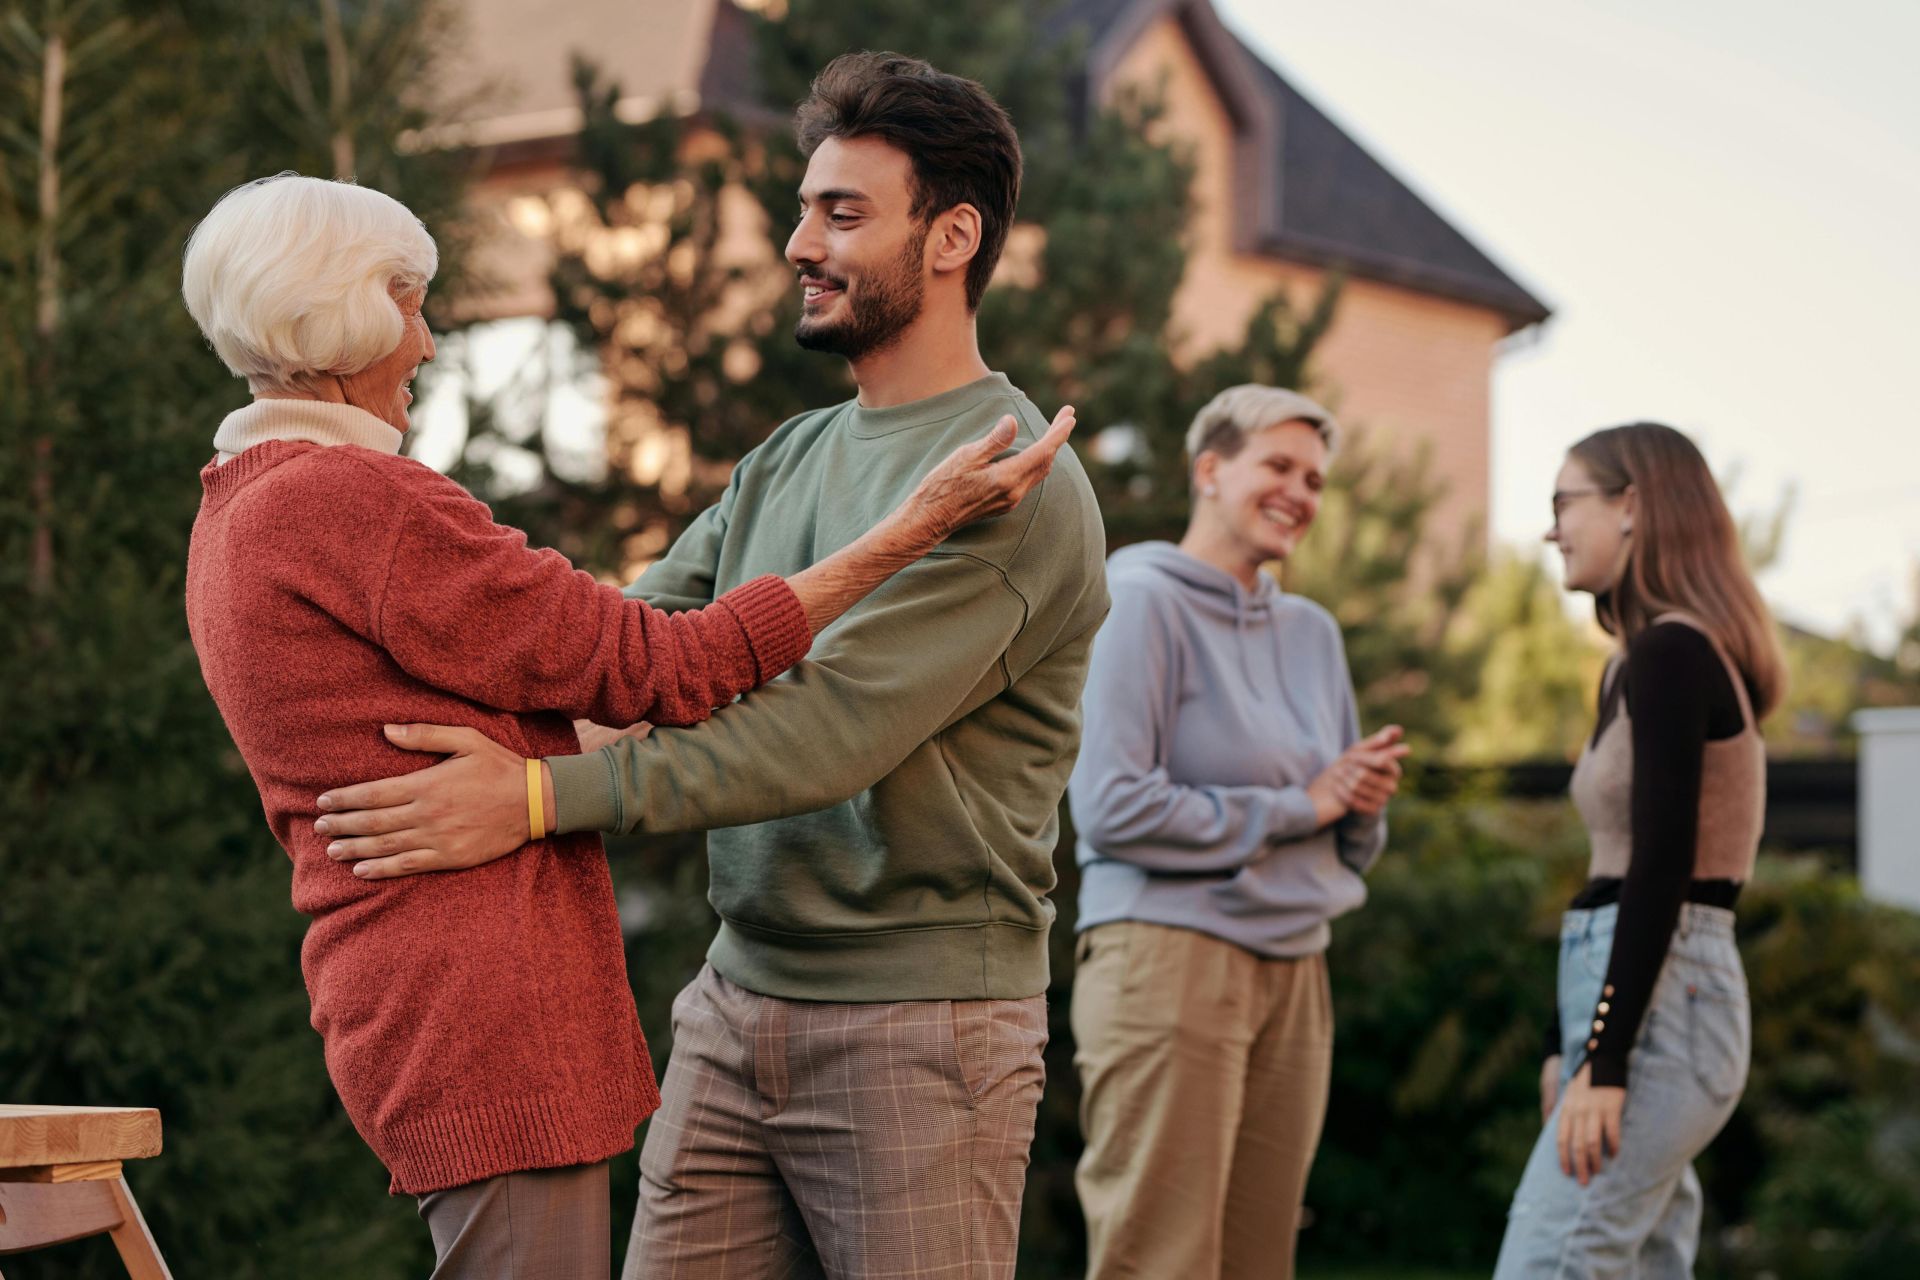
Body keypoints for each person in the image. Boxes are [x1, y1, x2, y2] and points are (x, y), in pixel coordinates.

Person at [181, 172, 1075, 1279]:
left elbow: (605, 660)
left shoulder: (238, 503)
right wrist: (908, 531)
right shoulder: (357, 502)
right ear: (345, 317)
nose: (426, 337)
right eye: (409, 302)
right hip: (487, 1005)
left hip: (414, 998)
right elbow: (659, 660)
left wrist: (534, 781)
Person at [1065, 384, 1408, 1279]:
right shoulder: (1138, 601)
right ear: (1210, 470)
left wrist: (1360, 800)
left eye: (1317, 480)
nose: (1301, 492)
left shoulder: (1313, 633)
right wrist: (1306, 806)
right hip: (1167, 960)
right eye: (1280, 466)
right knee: (1160, 1260)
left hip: (1297, 967)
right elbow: (1111, 805)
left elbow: (1340, 830)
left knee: (1262, 1260)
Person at [1494, 422, 1785, 1277]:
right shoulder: (1633, 664)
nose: (1552, 530)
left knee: (1550, 1263)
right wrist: (1569, 1042)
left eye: (1563, 504)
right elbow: (1610, 871)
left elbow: (1664, 865)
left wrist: (1607, 1055)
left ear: (1631, 507)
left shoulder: (1674, 653)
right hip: (1635, 993)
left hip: (1665, 1006)